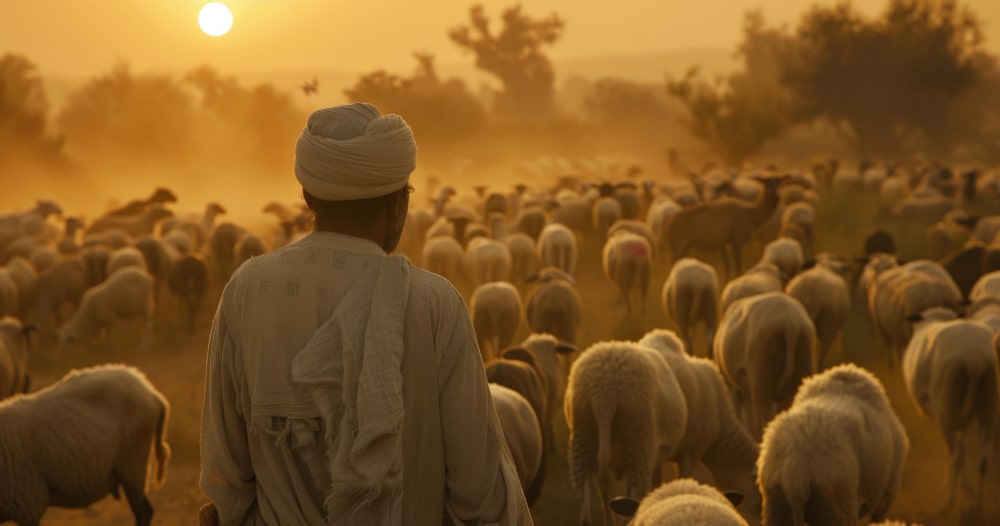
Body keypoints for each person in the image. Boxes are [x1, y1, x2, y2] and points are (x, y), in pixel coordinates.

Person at [199, 102, 531, 525]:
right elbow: (479, 490)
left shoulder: (246, 291)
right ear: (398, 203)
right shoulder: (433, 303)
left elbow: (226, 473)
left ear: (307, 196)